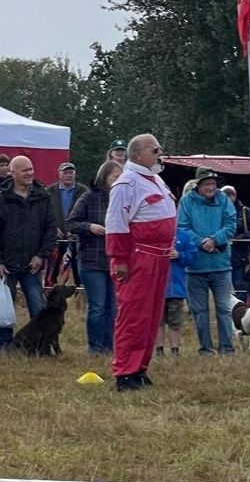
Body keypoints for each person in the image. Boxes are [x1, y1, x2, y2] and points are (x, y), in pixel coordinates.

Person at [106, 135, 177, 391]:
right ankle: (125, 372)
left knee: (151, 317)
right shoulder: (126, 184)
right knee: (134, 316)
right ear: (137, 154)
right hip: (139, 258)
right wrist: (119, 259)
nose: (160, 153)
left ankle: (140, 368)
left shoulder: (154, 179)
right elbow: (116, 224)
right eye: (154, 149)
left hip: (159, 257)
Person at [178, 166, 238, 355]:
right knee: (200, 311)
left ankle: (227, 348)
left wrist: (215, 239)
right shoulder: (186, 202)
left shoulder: (223, 200)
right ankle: (205, 348)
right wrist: (201, 242)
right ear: (198, 185)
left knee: (224, 308)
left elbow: (231, 223)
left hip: (221, 265)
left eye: (213, 183)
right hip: (195, 266)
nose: (211, 187)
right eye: (207, 184)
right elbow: (182, 226)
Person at [65, 160, 121, 354]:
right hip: (92, 260)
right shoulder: (89, 197)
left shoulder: (122, 199)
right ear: (104, 177)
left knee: (112, 308)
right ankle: (96, 348)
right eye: (115, 177)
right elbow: (71, 223)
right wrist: (89, 227)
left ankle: (112, 346)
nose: (118, 180)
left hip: (115, 260)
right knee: (97, 306)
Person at [0, 156, 58, 334]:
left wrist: (41, 255)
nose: (30, 173)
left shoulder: (43, 197)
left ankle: (40, 344)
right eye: (25, 170)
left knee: (38, 307)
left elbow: (50, 228)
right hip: (6, 265)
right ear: (13, 172)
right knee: (3, 308)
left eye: (31, 169)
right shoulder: (2, 198)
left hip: (32, 265)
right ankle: (4, 345)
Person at [156, 226, 196, 358]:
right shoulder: (154, 235)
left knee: (175, 322)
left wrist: (179, 255)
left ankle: (175, 351)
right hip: (157, 289)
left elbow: (192, 256)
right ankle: (159, 351)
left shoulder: (182, 235)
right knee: (158, 322)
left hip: (176, 289)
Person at [48, 161, 89, 286]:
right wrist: (53, 228)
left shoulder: (84, 191)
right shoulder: (49, 191)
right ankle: (50, 291)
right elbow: (45, 213)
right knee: (52, 268)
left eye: (71, 172)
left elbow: (87, 213)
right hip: (55, 236)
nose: (68, 175)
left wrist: (76, 228)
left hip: (76, 237)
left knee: (77, 267)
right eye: (65, 173)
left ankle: (78, 292)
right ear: (59, 174)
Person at [220, 185, 250, 300]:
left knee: (239, 284)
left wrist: (240, 238)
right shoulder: (218, 212)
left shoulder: (245, 212)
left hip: (240, 255)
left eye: (229, 195)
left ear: (233, 196)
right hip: (222, 255)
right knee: (223, 287)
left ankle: (241, 309)